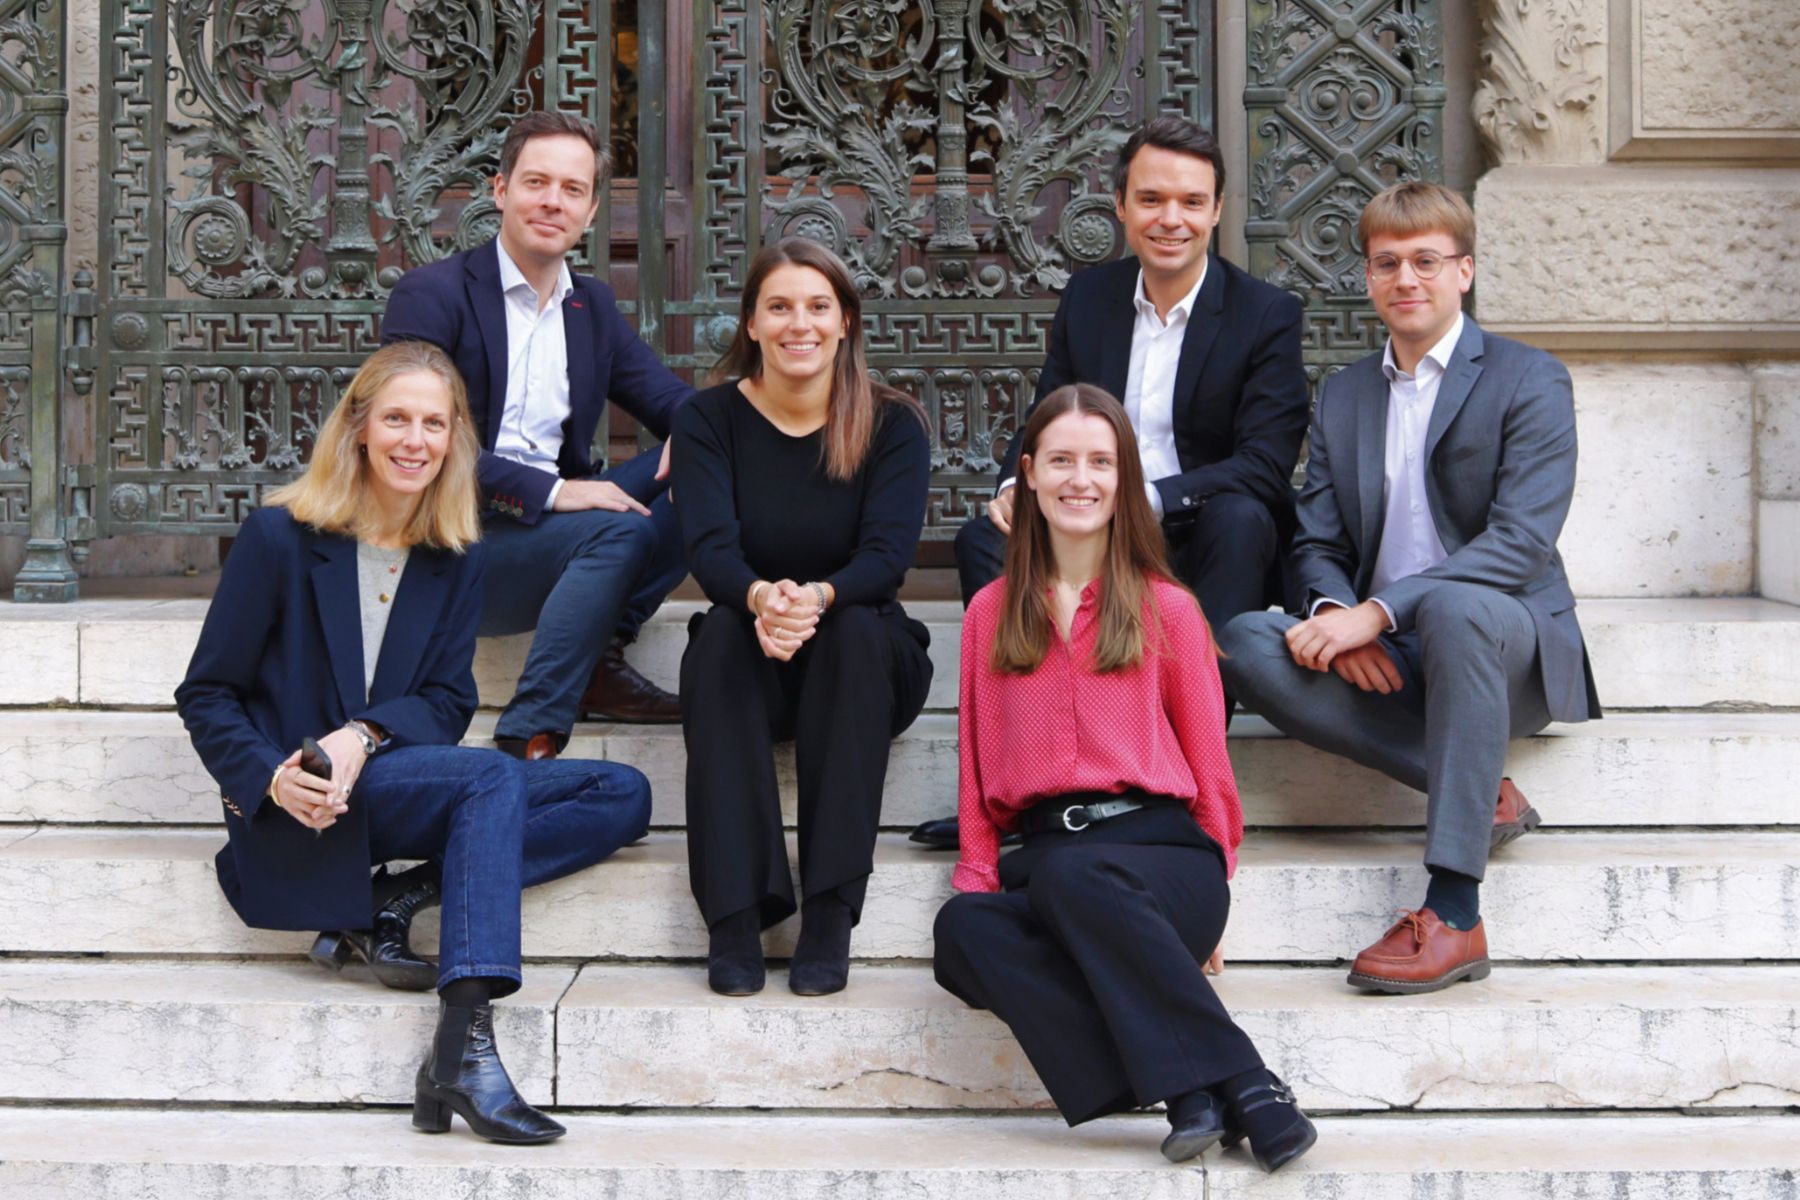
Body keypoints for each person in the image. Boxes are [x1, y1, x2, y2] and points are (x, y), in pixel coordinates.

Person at [174, 341, 652, 1143]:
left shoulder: (451, 556)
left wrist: (367, 732)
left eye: (434, 423)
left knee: (620, 793)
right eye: (397, 418)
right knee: (489, 782)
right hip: (306, 803)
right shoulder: (278, 537)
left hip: (394, 783)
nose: (414, 440)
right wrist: (266, 777)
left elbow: (447, 698)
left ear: (455, 439)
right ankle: (463, 1050)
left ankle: (399, 899)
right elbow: (207, 692)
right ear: (359, 428)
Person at [1217, 182, 1602, 994]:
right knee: (1248, 636)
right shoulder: (1347, 393)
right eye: (1387, 263)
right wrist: (1329, 615)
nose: (1406, 279)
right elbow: (1316, 538)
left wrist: (1380, 610)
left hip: (1503, 645)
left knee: (1458, 604)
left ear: (1463, 271)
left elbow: (1521, 542)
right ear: (1367, 279)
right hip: (1388, 648)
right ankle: (1477, 787)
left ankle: (1455, 912)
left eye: (1426, 260)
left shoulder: (1530, 379)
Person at [933, 384, 1314, 1172]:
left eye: (1102, 462)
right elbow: (975, 766)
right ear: (1028, 476)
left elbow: (1209, 761)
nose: (1082, 480)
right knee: (963, 936)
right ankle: (1200, 1086)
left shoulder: (1168, 607)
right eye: (1063, 461)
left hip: (1164, 857)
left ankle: (1233, 1080)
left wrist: (1221, 878)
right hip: (1050, 861)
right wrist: (977, 874)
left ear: (1124, 479)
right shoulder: (989, 614)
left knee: (1075, 878)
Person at [913, 113, 1308, 849]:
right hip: (1085, 533)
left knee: (1244, 517)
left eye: (1192, 202)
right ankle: (1018, 786)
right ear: (1122, 207)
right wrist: (1011, 486)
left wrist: (1146, 500)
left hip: (1193, 536)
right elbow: (1048, 413)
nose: (1172, 219)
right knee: (984, 545)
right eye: (1152, 199)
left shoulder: (1266, 315)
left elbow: (1264, 463)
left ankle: (1189, 782)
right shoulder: (1090, 298)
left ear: (1217, 211)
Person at [382, 111, 692, 759]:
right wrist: (555, 493)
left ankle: (598, 655)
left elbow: (667, 400)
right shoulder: (432, 295)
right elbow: (413, 448)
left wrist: (762, 422)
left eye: (572, 190)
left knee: (710, 460)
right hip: (448, 547)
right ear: (500, 191)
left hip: (551, 537)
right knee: (618, 524)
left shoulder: (592, 307)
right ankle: (531, 729)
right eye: (536, 183)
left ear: (591, 209)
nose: (553, 201)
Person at [672, 238, 933, 998]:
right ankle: (734, 916)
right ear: (751, 322)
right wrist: (761, 601)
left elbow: (885, 561)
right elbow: (711, 551)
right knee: (716, 634)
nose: (800, 324)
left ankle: (829, 912)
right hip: (753, 647)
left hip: (864, 656)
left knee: (854, 629)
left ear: (845, 320)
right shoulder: (706, 418)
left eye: (818, 307)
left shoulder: (892, 423)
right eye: (779, 307)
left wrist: (813, 600)